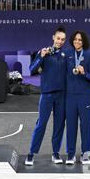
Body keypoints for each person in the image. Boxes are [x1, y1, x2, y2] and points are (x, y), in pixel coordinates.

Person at [25, 27, 68, 166]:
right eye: (58, 38)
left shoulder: (66, 55)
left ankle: (55, 153)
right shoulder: (43, 52)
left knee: (59, 126)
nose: (60, 41)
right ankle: (31, 153)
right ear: (53, 37)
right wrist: (41, 57)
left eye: (62, 39)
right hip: (47, 95)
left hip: (62, 95)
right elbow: (31, 70)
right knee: (41, 124)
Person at [65, 31, 90, 165]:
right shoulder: (67, 54)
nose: (77, 41)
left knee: (85, 126)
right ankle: (71, 154)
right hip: (70, 96)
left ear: (84, 42)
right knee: (71, 126)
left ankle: (86, 154)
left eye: (80, 40)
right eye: (75, 39)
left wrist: (84, 73)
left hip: (85, 96)